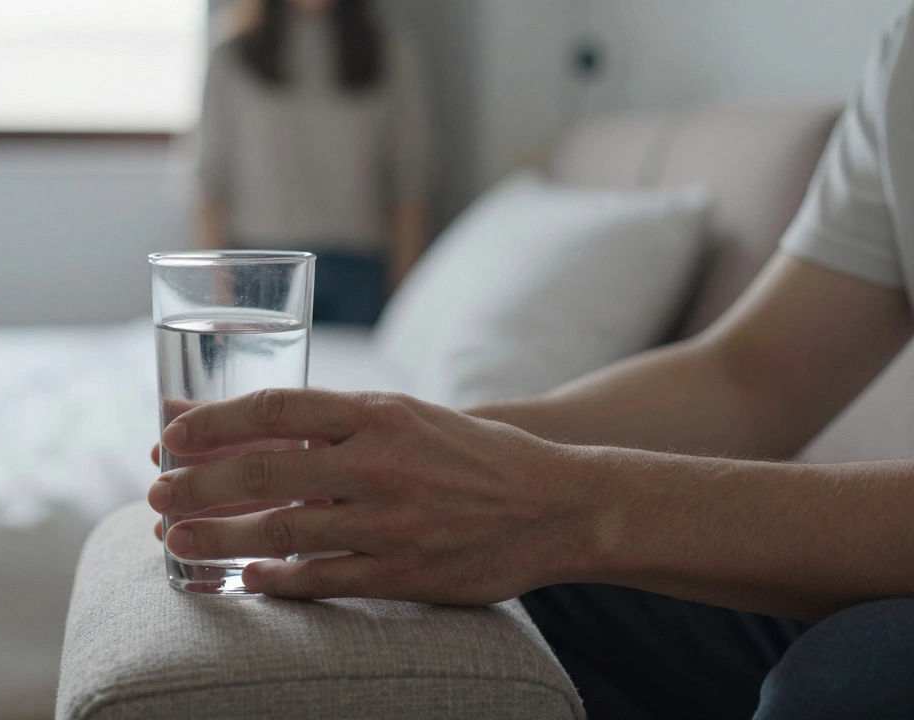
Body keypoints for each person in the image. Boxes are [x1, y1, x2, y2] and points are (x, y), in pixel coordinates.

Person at [148, 6, 914, 719]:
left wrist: (567, 504)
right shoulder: (902, 59)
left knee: (846, 679)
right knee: (509, 591)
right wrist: (434, 448)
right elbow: (751, 376)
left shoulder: (385, 54)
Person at [194, 0, 431, 325]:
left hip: (359, 269)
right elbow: (208, 180)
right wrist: (219, 291)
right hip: (259, 265)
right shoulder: (232, 54)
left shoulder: (389, 51)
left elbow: (410, 181)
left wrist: (405, 301)